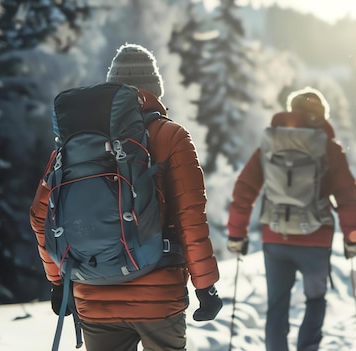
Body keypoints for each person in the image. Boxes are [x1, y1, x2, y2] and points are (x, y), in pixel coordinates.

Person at [30, 43, 222, 351]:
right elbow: (190, 216)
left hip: (93, 294)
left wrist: (58, 282)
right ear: (155, 90)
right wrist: (205, 285)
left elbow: (41, 217)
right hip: (158, 296)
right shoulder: (171, 136)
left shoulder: (74, 144)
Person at [226, 87, 356, 351]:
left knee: (277, 304)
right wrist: (352, 238)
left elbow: (244, 189)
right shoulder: (329, 148)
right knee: (315, 300)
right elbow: (347, 196)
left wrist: (236, 233)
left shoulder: (269, 143)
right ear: (321, 115)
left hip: (276, 237)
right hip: (316, 239)